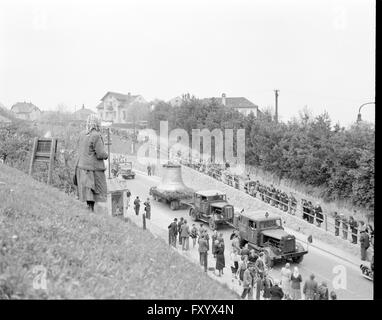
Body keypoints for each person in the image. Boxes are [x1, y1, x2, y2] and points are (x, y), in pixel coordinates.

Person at [75, 114, 108, 213]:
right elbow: (100, 154)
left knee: (88, 192)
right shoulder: (96, 135)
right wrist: (106, 155)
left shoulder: (82, 134)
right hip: (92, 169)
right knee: (93, 191)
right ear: (97, 123)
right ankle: (91, 211)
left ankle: (89, 210)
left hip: (81, 167)